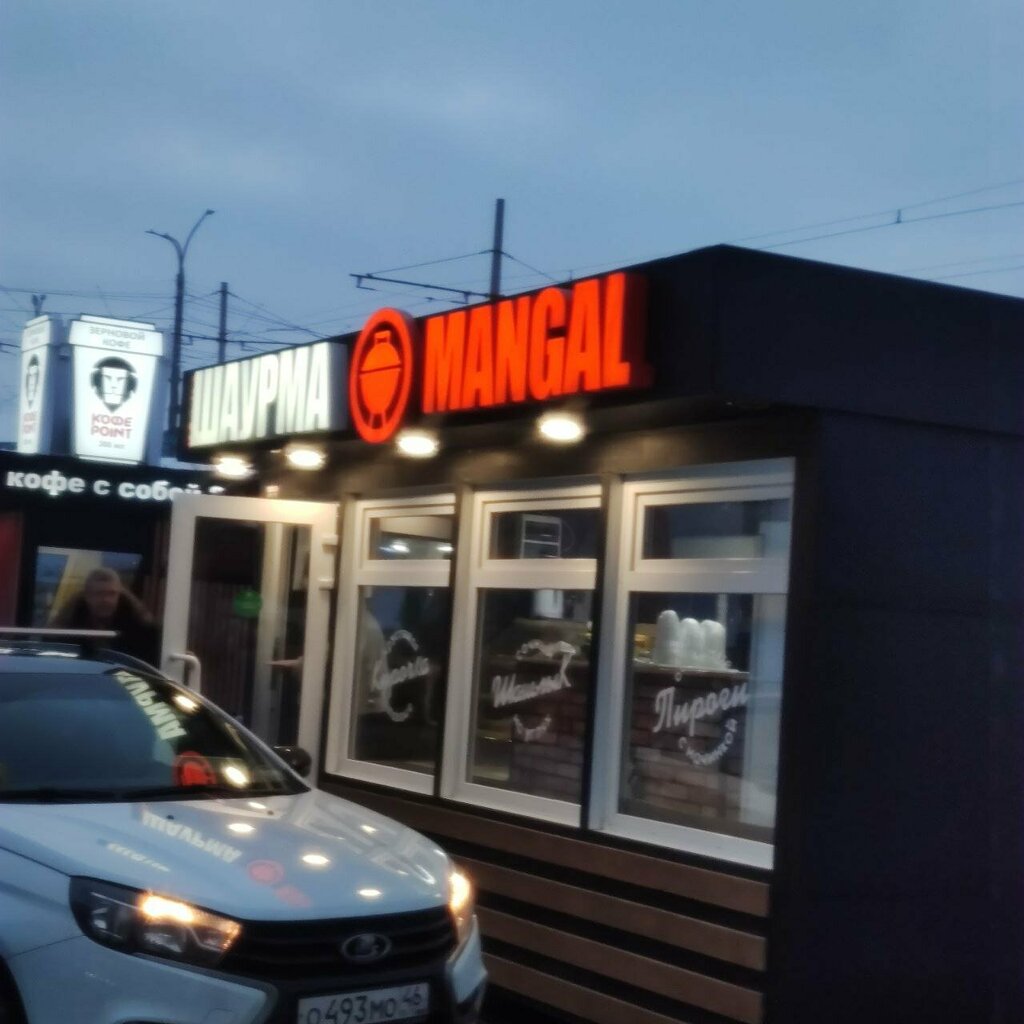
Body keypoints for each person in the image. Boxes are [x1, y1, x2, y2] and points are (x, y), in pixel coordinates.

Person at [50, 567, 159, 666]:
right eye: (99, 593)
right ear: (87, 596)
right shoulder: (67, 628)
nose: (106, 600)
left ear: (119, 595)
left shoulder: (140, 629)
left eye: (112, 594)